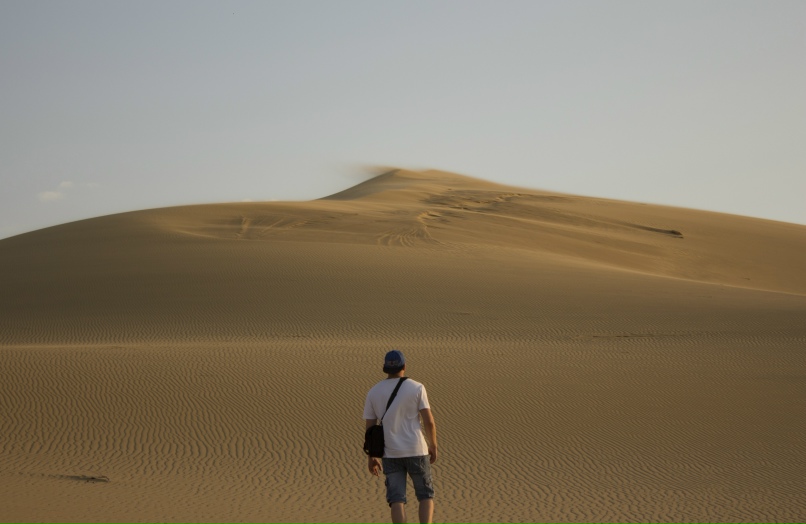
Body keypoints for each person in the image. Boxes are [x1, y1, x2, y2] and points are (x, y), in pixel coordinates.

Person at [364, 350, 438, 524]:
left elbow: (370, 430)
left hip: (390, 453)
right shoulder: (417, 387)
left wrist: (371, 456)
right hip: (416, 450)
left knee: (397, 499)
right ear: (404, 366)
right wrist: (433, 445)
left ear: (385, 368)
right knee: (425, 494)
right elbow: (429, 421)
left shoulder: (373, 392)